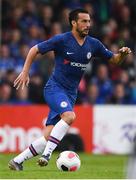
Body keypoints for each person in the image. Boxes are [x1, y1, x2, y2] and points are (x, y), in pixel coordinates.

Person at [8, 8, 131, 171]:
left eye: (89, 21)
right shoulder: (62, 40)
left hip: (70, 94)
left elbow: (114, 60)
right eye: (84, 21)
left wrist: (122, 54)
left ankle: (17, 161)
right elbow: (34, 49)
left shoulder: (93, 44)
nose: (88, 24)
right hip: (54, 88)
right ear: (74, 23)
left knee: (48, 136)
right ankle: (47, 154)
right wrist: (25, 72)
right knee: (69, 116)